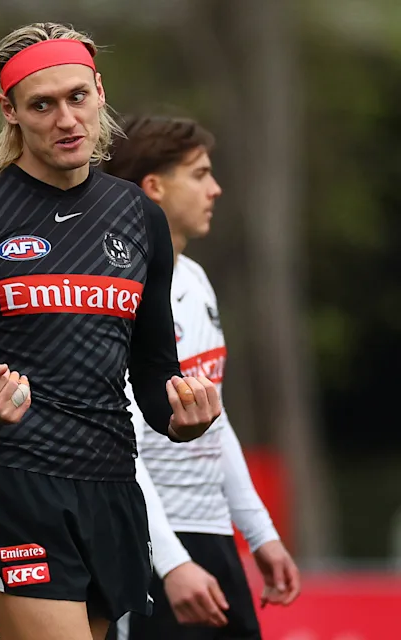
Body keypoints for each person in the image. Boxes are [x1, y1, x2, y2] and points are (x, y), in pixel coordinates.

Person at [0, 22, 223, 640]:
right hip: (15, 485)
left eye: (77, 97)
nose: (66, 120)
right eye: (42, 105)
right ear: (10, 111)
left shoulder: (139, 217)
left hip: (112, 485)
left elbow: (153, 372)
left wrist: (181, 418)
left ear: (100, 92)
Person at [102, 114, 301, 640]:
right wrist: (171, 564)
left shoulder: (194, 278)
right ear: (154, 187)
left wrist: (260, 533)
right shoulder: (117, 287)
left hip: (210, 535)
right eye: (199, 174)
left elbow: (216, 417)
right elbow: (118, 442)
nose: (215, 189)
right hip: (152, 545)